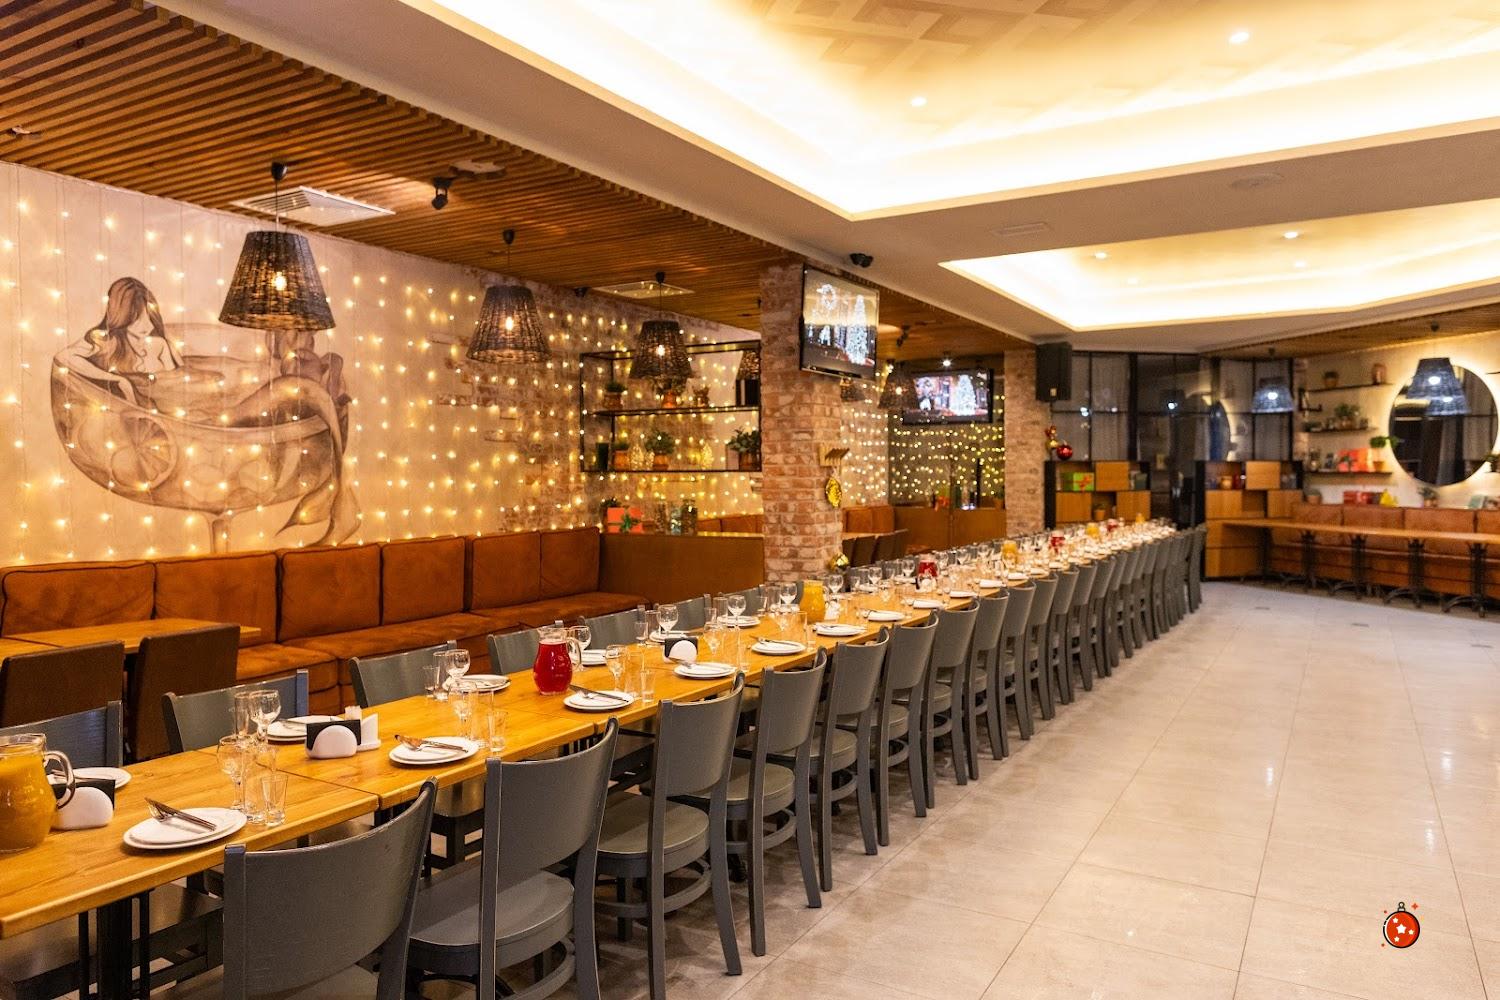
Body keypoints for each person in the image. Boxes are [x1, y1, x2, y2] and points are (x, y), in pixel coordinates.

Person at [57, 277, 181, 404]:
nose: (147, 326)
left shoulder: (159, 343)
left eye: (149, 317)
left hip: (166, 400)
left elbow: (177, 381)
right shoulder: (106, 340)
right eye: (137, 318)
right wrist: (117, 380)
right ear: (122, 316)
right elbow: (64, 356)